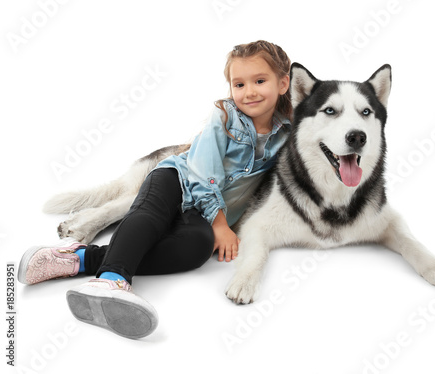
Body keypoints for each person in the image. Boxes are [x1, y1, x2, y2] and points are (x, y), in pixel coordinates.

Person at [18, 40, 292, 339]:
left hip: (198, 210)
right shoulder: (224, 117)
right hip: (177, 179)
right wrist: (221, 224)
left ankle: (77, 259)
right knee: (149, 216)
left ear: (283, 83)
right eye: (239, 84)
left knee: (197, 249)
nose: (249, 92)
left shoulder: (291, 131)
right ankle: (111, 280)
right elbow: (202, 176)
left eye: (260, 81)